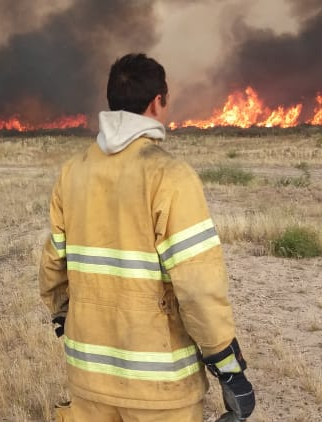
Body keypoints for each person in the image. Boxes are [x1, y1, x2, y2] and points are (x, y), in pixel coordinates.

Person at [39, 54, 256, 422]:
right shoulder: (170, 176)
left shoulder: (72, 173)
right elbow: (198, 285)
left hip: (88, 377)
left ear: (111, 101)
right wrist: (227, 363)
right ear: (159, 101)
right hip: (159, 389)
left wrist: (64, 314)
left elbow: (53, 265)